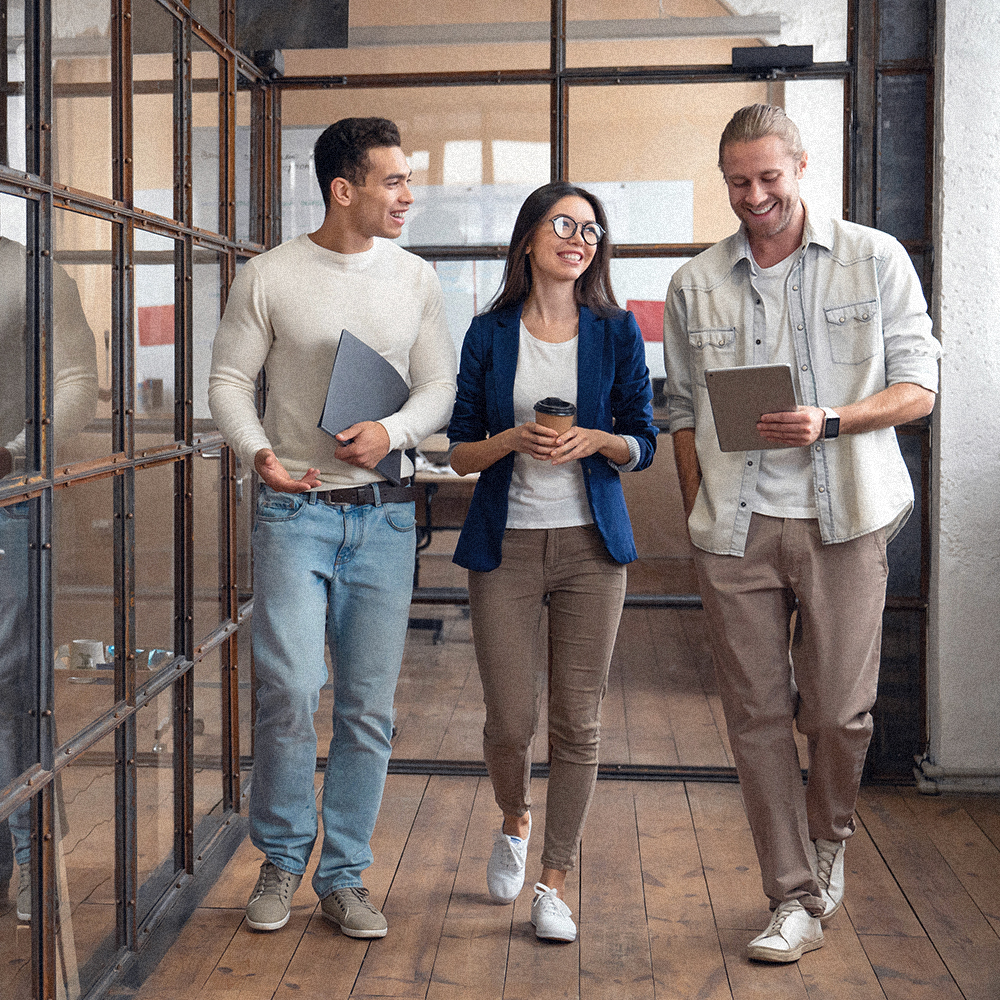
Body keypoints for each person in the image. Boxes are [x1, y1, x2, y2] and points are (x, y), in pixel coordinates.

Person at [663, 104, 941, 963]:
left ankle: (829, 841)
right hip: (736, 526)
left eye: (769, 178)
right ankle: (791, 895)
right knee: (753, 717)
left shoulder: (874, 257)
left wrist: (831, 419)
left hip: (845, 518)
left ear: (801, 167)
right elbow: (680, 411)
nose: (755, 197)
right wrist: (699, 511)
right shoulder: (695, 282)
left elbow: (919, 387)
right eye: (739, 182)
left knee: (836, 716)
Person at [208, 118, 456, 938]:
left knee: (366, 709)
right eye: (393, 181)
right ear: (343, 189)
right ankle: (281, 861)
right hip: (294, 512)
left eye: (407, 180)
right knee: (288, 692)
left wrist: (396, 432)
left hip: (382, 519)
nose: (407, 196)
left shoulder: (415, 277)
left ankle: (344, 876)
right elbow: (229, 381)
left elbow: (437, 388)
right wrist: (257, 453)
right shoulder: (270, 275)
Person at [447, 181, 657, 943]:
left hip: (590, 549)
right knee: (509, 721)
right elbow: (460, 453)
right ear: (530, 236)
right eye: (564, 224)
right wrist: (511, 440)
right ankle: (515, 818)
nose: (579, 238)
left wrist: (595, 440)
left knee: (579, 723)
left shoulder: (616, 330)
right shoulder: (488, 332)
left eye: (592, 230)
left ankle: (555, 881)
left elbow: (645, 440)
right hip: (505, 545)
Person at [1, 233, 97, 921]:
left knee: (12, 684)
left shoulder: (28, 271)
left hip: (9, 504)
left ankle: (33, 856)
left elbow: (77, 383)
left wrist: (13, 453)